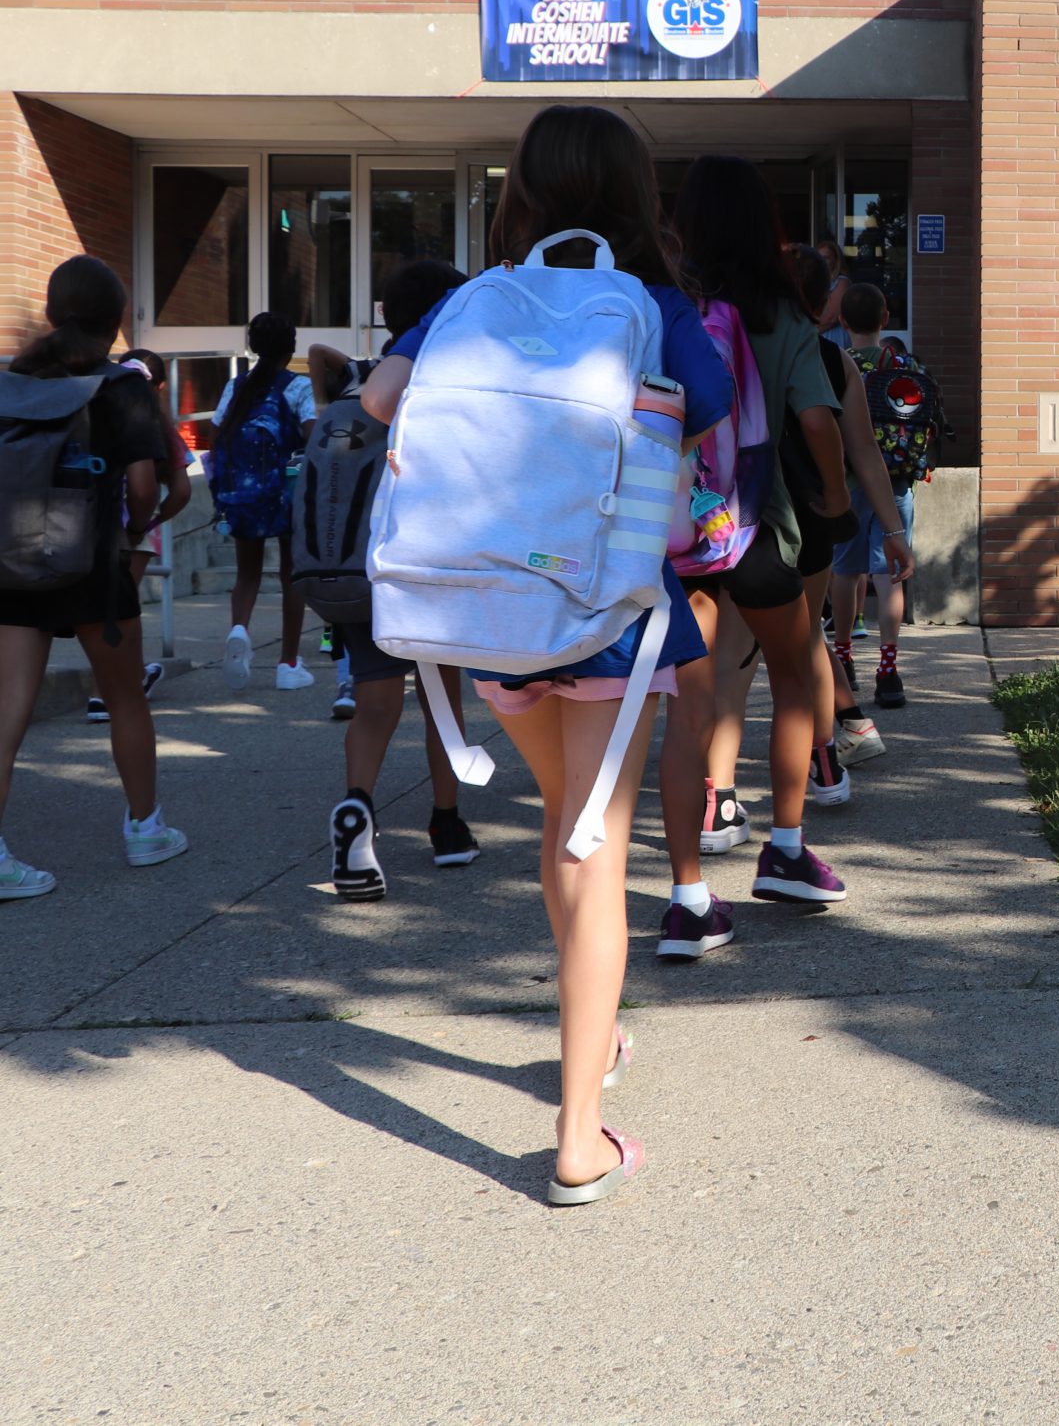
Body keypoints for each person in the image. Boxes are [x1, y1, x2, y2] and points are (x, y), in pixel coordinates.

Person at [360, 104, 734, 1202]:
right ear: (633, 190)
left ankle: (595, 1027)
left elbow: (383, 398)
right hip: (608, 610)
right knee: (596, 846)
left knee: (561, 826)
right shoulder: (653, 304)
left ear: (519, 189)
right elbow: (703, 412)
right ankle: (580, 1136)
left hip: (491, 612)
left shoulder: (477, 300)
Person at [653, 154, 855, 964]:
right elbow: (815, 421)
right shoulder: (782, 314)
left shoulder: (668, 304)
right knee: (798, 673)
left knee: (687, 709)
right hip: (759, 528)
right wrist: (836, 501)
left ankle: (689, 895)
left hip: (678, 532)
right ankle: (786, 848)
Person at [0, 258, 191, 900]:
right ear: (115, 322)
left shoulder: (10, 384)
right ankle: (145, 830)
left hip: (12, 566)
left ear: (54, 313)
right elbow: (144, 485)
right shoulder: (122, 387)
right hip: (97, 571)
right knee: (125, 698)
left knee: (6, 710)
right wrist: (138, 526)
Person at [314, 260, 479, 901]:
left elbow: (322, 361)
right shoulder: (438, 380)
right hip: (419, 568)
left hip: (354, 568)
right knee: (442, 698)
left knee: (377, 704)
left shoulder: (360, 380)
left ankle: (358, 807)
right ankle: (446, 824)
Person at [785, 245, 886, 774]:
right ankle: (845, 730)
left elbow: (821, 426)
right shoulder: (832, 356)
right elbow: (861, 448)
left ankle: (719, 784)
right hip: (818, 514)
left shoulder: (740, 343)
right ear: (825, 303)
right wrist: (888, 525)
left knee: (779, 643)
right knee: (804, 633)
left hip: (749, 517)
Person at [206, 311, 314, 693]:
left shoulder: (236, 387)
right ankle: (288, 664)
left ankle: (239, 630)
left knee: (246, 575)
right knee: (291, 578)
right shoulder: (297, 387)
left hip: (242, 495)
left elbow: (215, 433)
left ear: (251, 346)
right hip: (285, 495)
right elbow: (313, 436)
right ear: (291, 348)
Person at [82, 346, 184, 722]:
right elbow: (181, 490)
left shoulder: (96, 408)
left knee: (102, 607)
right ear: (157, 386)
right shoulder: (157, 422)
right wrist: (151, 523)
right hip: (137, 527)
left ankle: (129, 678)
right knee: (121, 610)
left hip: (93, 519)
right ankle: (104, 693)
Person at [829, 284, 916, 709]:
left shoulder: (836, 364)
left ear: (843, 321)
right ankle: (888, 670)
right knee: (890, 573)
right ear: (885, 319)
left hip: (845, 481)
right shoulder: (903, 364)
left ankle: (843, 657)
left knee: (844, 571)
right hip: (896, 480)